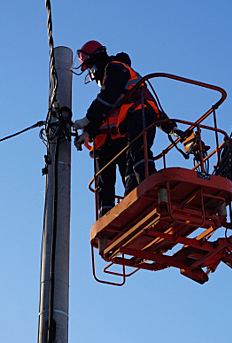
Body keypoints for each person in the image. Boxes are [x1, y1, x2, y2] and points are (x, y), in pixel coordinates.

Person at [73, 40, 181, 218]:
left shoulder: (115, 69)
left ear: (97, 60)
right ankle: (133, 198)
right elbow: (107, 110)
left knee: (138, 151)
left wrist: (86, 119)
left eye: (91, 69)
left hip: (138, 115)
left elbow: (106, 99)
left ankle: (149, 187)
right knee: (133, 158)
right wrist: (87, 131)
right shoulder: (120, 80)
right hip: (132, 120)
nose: (92, 76)